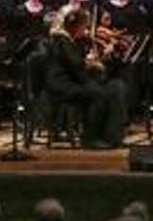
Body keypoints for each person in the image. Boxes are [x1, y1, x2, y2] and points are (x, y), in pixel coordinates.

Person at [45, 8, 128, 149]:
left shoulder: (73, 40)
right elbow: (76, 67)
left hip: (74, 80)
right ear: (75, 27)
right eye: (84, 27)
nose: (86, 30)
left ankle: (112, 136)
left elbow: (79, 66)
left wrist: (95, 61)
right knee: (97, 94)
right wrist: (91, 65)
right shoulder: (61, 40)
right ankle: (90, 138)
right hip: (62, 84)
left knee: (115, 87)